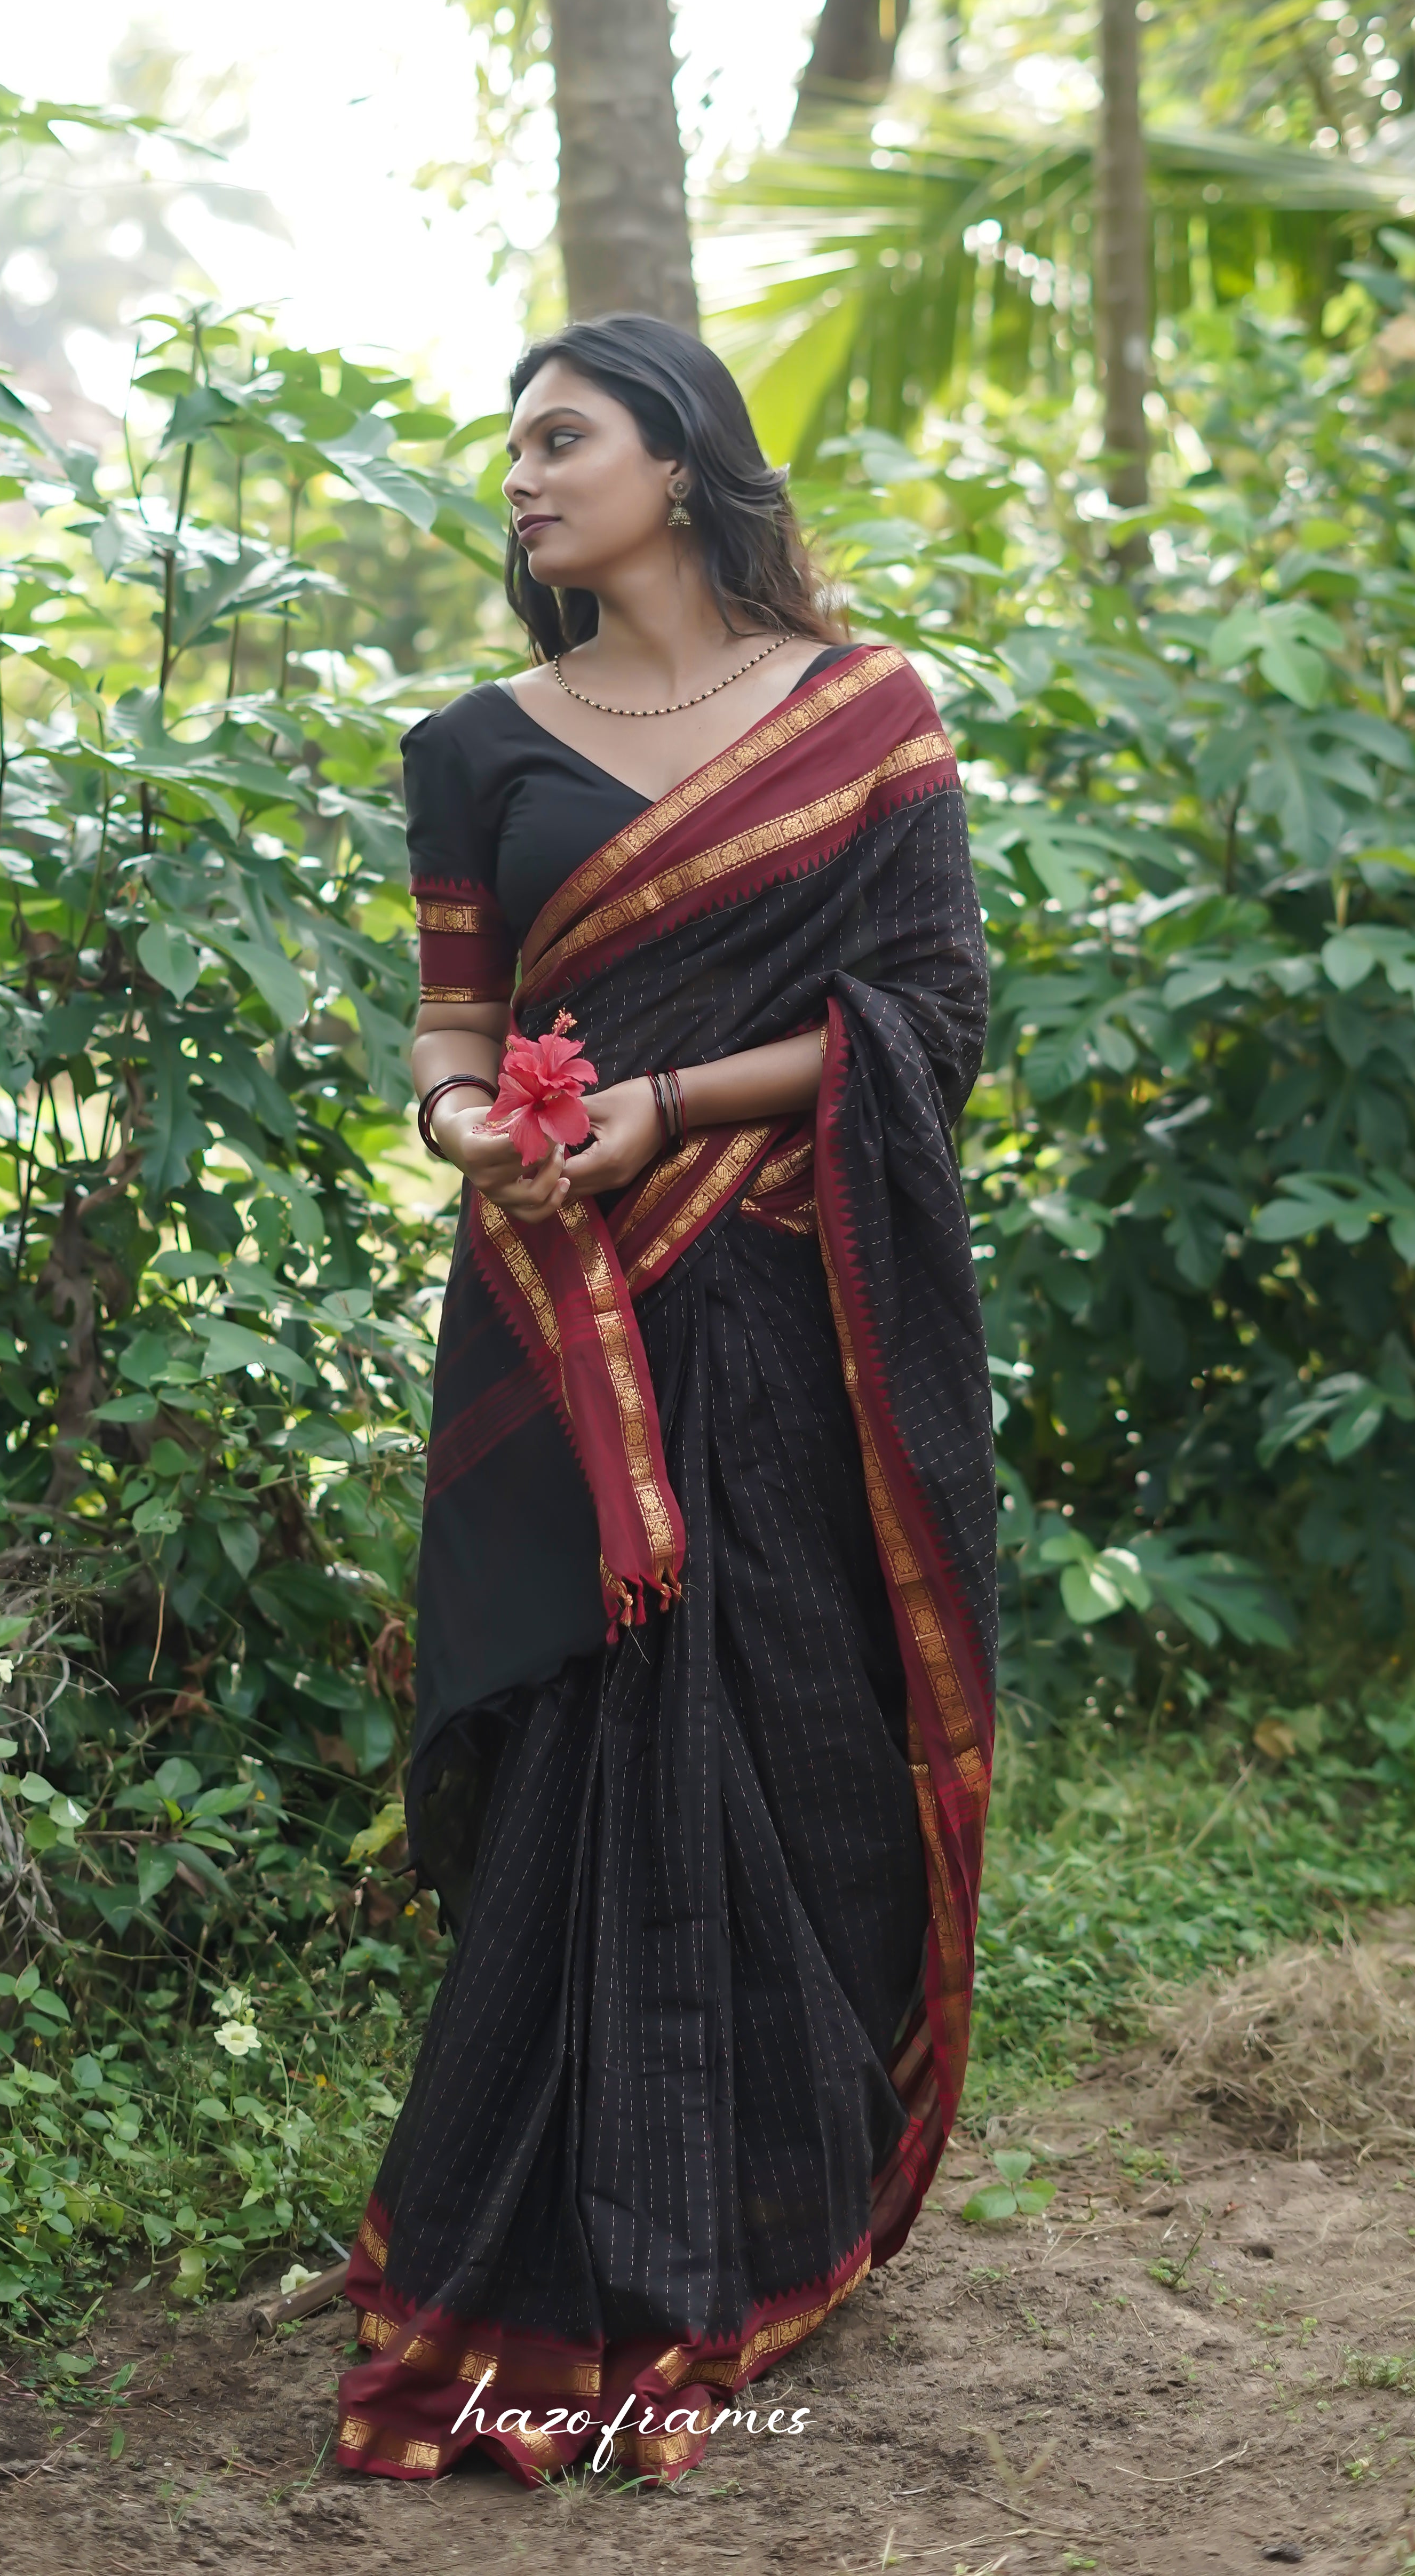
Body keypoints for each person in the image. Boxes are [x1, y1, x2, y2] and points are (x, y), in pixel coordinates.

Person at [334, 313, 997, 2487]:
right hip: (564, 1319)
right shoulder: (471, 746)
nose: (519, 477)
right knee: (591, 1749)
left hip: (782, 1312)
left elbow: (924, 1016)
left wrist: (668, 1097)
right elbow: (447, 1018)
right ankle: (562, 2251)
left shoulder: (864, 712)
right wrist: (471, 1123)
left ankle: (761, 2218)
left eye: (559, 436)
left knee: (788, 1740)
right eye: (508, 449)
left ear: (680, 460)